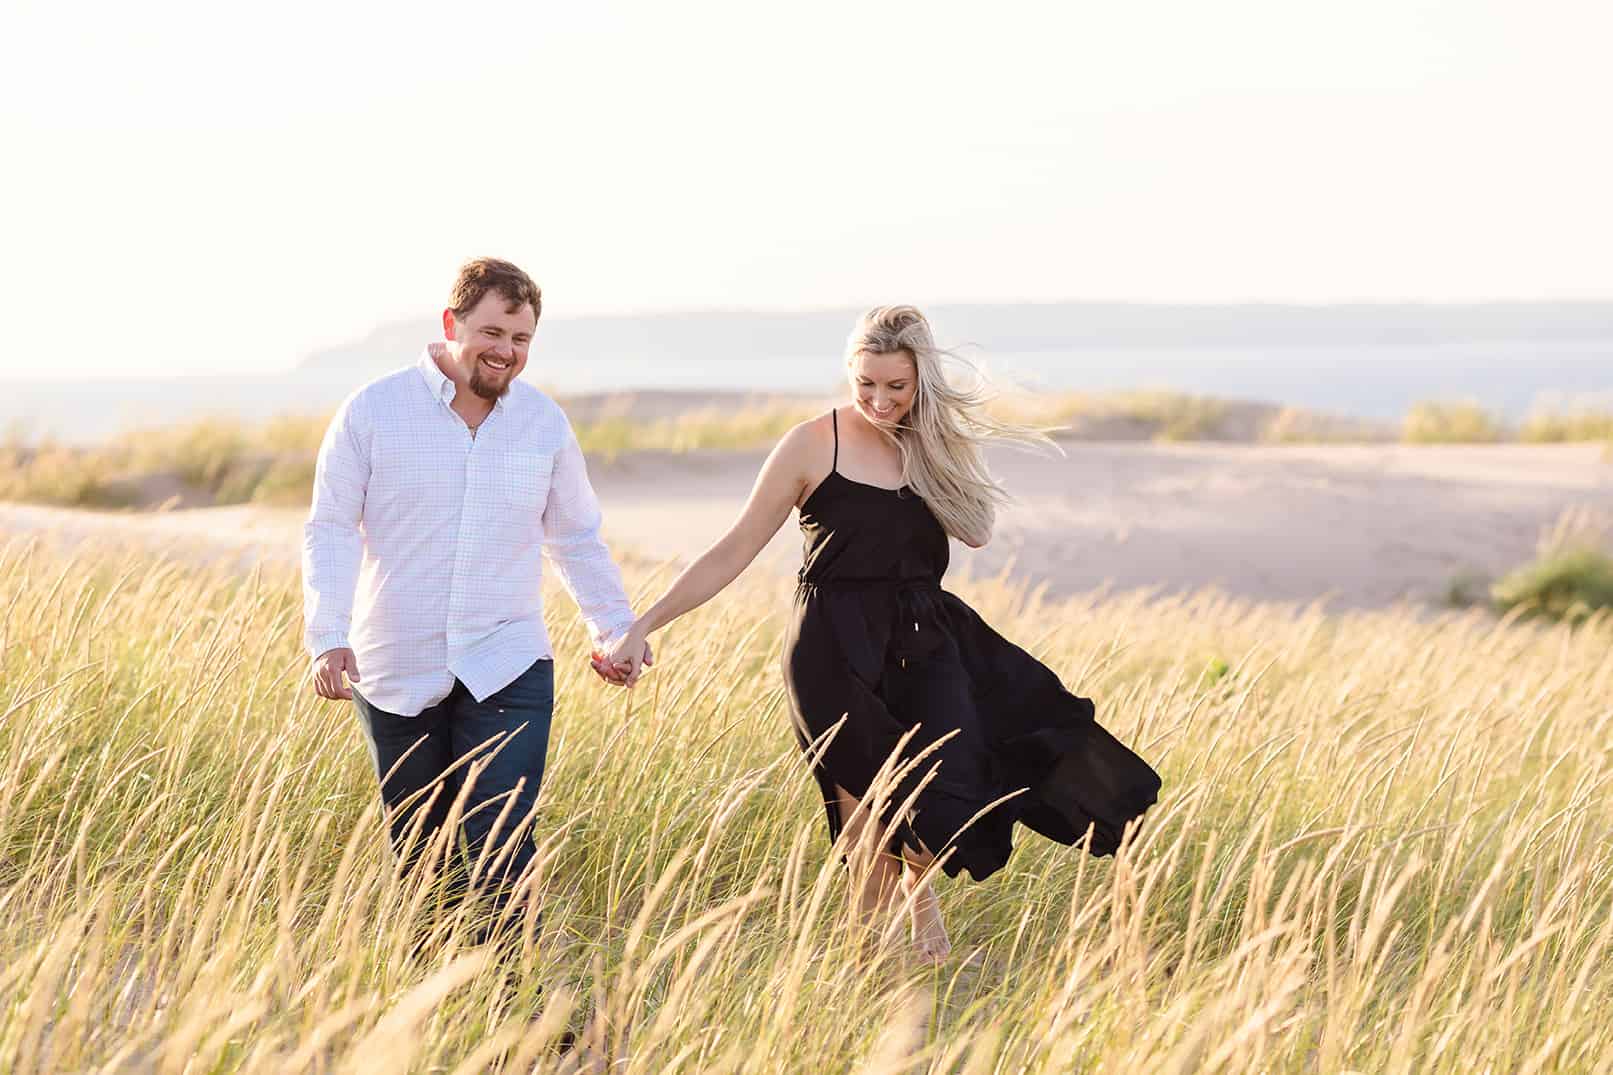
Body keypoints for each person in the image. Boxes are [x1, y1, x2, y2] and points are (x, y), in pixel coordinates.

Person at [604, 305, 1160, 963]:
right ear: (849, 372)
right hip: (832, 650)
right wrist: (642, 623)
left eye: (895, 386)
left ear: (920, 379)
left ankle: (920, 934)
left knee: (946, 805)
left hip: (925, 643)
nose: (877, 399)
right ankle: (880, 969)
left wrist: (934, 443)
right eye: (865, 383)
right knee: (866, 826)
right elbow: (734, 548)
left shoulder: (930, 442)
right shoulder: (812, 443)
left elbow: (977, 530)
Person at [302, 257, 647, 947]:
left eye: (521, 339)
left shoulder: (543, 425)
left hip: (508, 661)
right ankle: (436, 1011)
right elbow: (331, 527)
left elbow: (575, 537)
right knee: (421, 854)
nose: (506, 351)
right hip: (393, 664)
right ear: (450, 323)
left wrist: (615, 627)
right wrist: (327, 632)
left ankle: (512, 1010)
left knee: (500, 840)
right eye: (492, 331)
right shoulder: (373, 410)